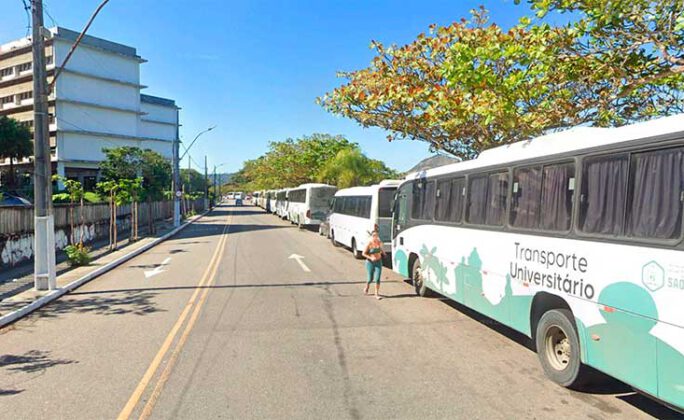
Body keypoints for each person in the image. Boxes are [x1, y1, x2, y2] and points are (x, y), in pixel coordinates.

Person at [363, 228, 386, 299]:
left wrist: (384, 254)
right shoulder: (369, 244)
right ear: (372, 236)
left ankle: (376, 294)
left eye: (376, 235)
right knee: (370, 279)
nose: (375, 237)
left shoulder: (379, 243)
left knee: (377, 279)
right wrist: (370, 258)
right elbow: (363, 253)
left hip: (378, 262)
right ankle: (367, 286)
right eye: (374, 235)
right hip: (370, 263)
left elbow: (381, 250)